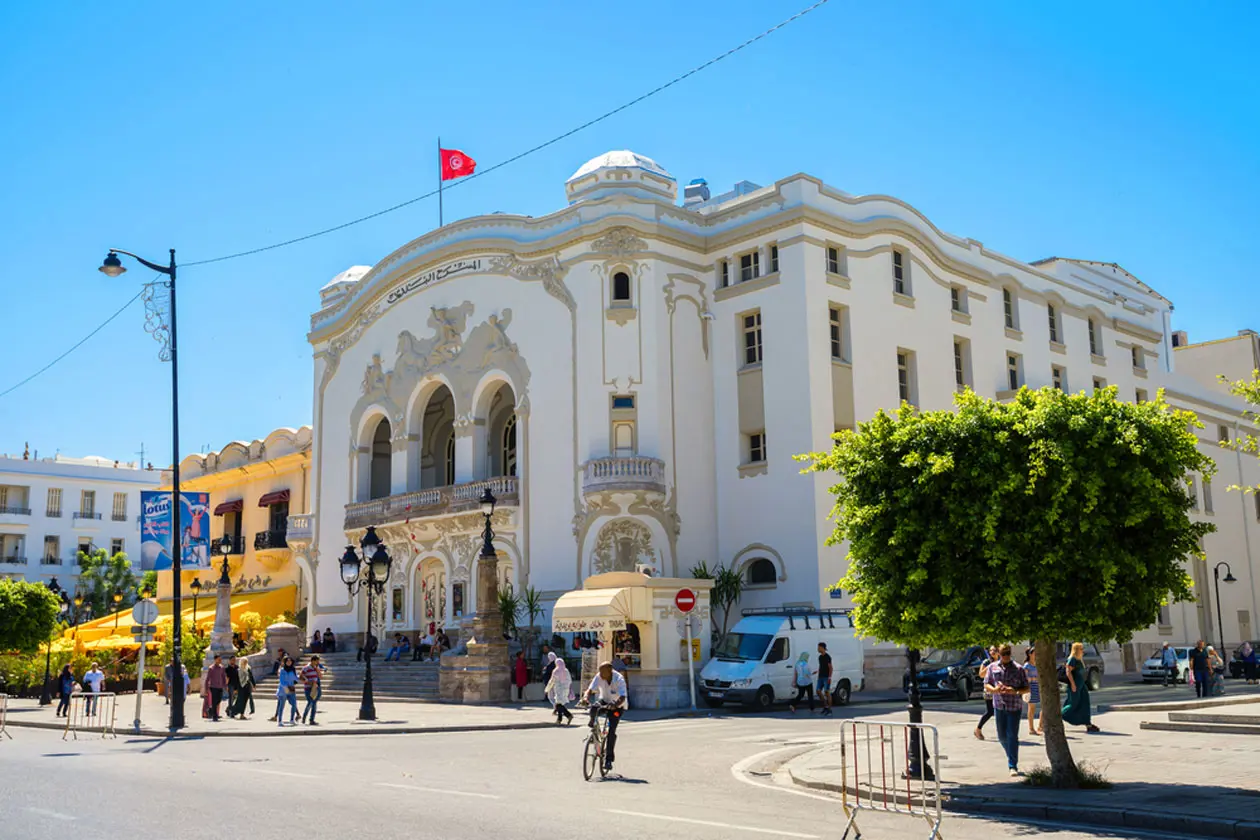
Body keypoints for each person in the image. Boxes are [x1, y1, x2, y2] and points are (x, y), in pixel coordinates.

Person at [984, 644, 1030, 777]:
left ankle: (1012, 765)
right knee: (1002, 736)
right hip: (999, 705)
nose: (1006, 656)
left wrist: (1014, 690)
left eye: (1008, 653)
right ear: (998, 653)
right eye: (1003, 654)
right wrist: (994, 690)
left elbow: (1026, 688)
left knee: (1012, 736)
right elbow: (987, 683)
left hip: (1014, 706)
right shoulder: (992, 667)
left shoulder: (1018, 668)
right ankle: (1010, 754)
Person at [585, 660, 629, 773]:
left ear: (610, 671)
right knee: (594, 708)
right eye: (599, 672)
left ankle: (609, 760)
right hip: (604, 700)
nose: (600, 675)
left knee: (611, 732)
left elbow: (623, 696)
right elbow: (590, 689)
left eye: (603, 672)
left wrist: (615, 705)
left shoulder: (619, 678)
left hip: (617, 705)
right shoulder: (599, 676)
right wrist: (585, 698)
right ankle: (593, 724)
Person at [1061, 642, 1100, 733]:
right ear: (1076, 650)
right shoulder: (1072, 659)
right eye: (1081, 649)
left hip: (1082, 685)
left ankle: (1088, 723)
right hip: (1075, 685)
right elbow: (1068, 672)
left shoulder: (1079, 660)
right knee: (1073, 703)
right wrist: (1073, 684)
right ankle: (1061, 715)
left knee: (1084, 703)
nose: (1083, 651)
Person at [545, 654, 574, 725]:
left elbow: (552, 681)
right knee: (559, 704)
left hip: (559, 690)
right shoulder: (566, 670)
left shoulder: (556, 671)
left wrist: (547, 689)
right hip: (566, 690)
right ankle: (559, 719)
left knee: (558, 705)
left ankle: (569, 715)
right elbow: (570, 680)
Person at [275, 656, 300, 726]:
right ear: (285, 662)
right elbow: (281, 681)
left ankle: (292, 720)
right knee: (282, 706)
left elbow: (295, 678)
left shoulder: (293, 670)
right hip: (284, 690)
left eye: (290, 661)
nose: (289, 662)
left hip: (291, 689)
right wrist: (286, 687)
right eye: (287, 661)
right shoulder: (282, 670)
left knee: (294, 704)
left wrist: (303, 679)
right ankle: (280, 721)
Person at [1023, 647, 1041, 735]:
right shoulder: (1027, 665)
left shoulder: (1037, 664)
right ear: (1030, 654)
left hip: (1038, 687)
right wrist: (1034, 678)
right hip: (1031, 687)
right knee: (1032, 708)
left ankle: (1040, 726)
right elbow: (1025, 678)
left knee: (1044, 707)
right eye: (1034, 653)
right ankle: (1031, 728)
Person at [204, 654, 228, 722]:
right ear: (215, 659)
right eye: (219, 659)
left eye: (221, 659)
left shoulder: (222, 667)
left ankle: (211, 709)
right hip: (213, 687)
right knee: (214, 701)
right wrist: (206, 689)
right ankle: (215, 716)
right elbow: (207, 679)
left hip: (220, 686)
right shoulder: (211, 668)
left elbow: (223, 677)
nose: (220, 660)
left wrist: (225, 686)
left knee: (219, 700)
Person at [301, 655, 323, 725]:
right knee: (310, 702)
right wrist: (307, 681)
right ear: (313, 661)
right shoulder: (306, 668)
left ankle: (312, 719)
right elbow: (301, 676)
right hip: (308, 688)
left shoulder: (317, 668)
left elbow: (320, 677)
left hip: (315, 688)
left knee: (314, 703)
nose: (318, 663)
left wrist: (318, 670)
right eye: (317, 661)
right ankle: (304, 717)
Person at [816, 642, 834, 716]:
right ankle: (825, 706)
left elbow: (830, 667)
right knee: (818, 691)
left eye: (819, 647)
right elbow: (821, 666)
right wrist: (818, 673)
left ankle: (829, 709)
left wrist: (830, 677)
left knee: (827, 692)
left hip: (826, 677)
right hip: (820, 676)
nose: (818, 649)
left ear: (822, 648)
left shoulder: (827, 657)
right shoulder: (820, 657)